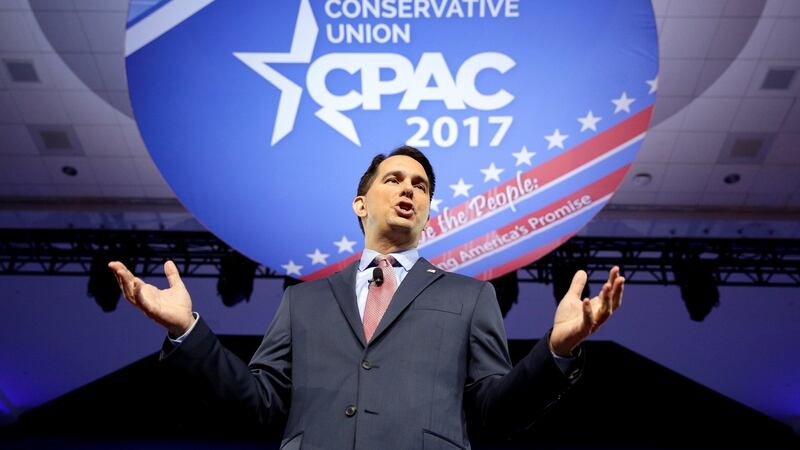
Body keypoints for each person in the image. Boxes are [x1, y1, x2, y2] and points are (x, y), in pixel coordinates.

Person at [108, 146, 624, 449]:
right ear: (361, 204)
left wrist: (557, 351)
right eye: (394, 179)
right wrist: (187, 332)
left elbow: (495, 411)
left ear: (427, 212)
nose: (409, 189)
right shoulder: (303, 302)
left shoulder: (471, 298)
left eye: (421, 186)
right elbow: (258, 405)